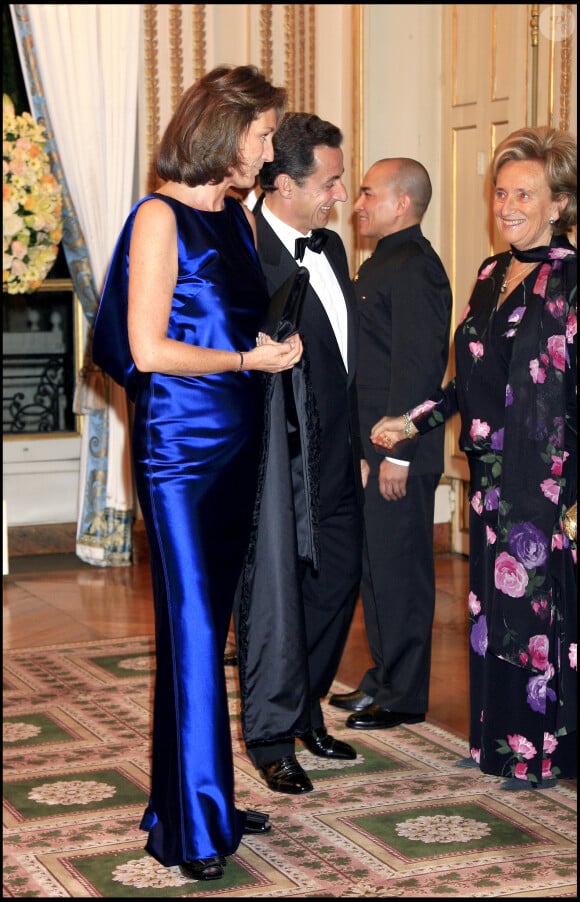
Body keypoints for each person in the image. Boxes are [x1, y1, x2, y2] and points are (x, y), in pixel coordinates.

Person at [92, 65, 304, 881]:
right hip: (178, 454)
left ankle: (192, 795)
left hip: (238, 442)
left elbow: (238, 320)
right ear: (223, 131)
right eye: (261, 134)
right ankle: (194, 826)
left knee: (208, 634)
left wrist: (269, 353)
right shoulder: (159, 218)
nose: (269, 147)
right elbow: (147, 351)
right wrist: (247, 358)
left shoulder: (238, 219)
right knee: (187, 634)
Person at [371, 126, 577, 790]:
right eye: (500, 192)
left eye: (526, 193)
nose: (509, 205)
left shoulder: (571, 280)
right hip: (489, 478)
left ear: (559, 203)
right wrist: (412, 420)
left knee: (540, 618)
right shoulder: (490, 275)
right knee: (492, 612)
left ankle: (540, 750)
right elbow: (465, 381)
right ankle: (496, 740)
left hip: (549, 486)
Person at [235, 112, 364, 795]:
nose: (340, 196)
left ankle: (308, 707)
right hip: (278, 462)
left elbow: (346, 362)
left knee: (338, 582)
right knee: (276, 601)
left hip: (341, 454)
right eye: (331, 182)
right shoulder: (243, 250)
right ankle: (271, 737)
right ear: (282, 183)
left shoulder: (333, 248)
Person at [329, 158, 452, 729]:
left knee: (401, 573)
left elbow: (419, 370)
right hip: (375, 449)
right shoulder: (384, 261)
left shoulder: (416, 268)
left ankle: (403, 695)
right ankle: (383, 678)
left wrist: (398, 453)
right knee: (378, 569)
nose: (357, 203)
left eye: (367, 193)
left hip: (400, 451)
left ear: (402, 203)